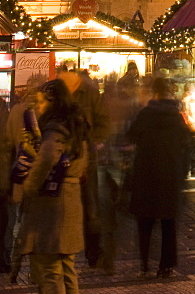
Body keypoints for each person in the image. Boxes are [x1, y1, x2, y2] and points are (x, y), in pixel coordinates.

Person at [19, 78, 89, 294]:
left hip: (53, 205)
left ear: (52, 101)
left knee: (49, 270)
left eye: (40, 102)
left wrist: (30, 185)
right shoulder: (76, 124)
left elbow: (47, 157)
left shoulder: (55, 128)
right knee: (67, 268)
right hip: (71, 199)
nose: (38, 107)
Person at [127, 77, 190, 279]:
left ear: (153, 92)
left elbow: (131, 136)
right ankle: (166, 265)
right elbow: (185, 143)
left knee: (145, 223)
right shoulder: (176, 116)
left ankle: (145, 264)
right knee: (168, 223)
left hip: (147, 172)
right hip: (170, 173)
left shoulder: (145, 114)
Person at [57, 65, 110, 269]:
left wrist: (94, 143)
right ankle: (63, 249)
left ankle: (93, 251)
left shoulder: (89, 93)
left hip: (86, 159)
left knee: (90, 206)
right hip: (61, 157)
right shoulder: (54, 94)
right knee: (61, 204)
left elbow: (103, 121)